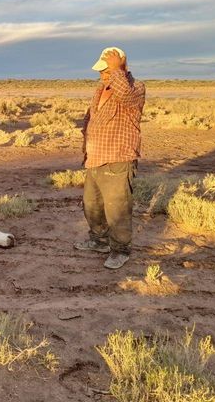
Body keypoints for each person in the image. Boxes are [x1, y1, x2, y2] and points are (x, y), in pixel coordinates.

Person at [74, 47, 146, 269]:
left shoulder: (136, 88)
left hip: (117, 158)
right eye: (102, 71)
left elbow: (124, 93)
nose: (104, 75)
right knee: (92, 205)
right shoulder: (100, 89)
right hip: (95, 158)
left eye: (107, 70)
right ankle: (99, 241)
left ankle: (120, 250)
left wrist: (117, 69)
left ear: (122, 66)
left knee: (117, 208)